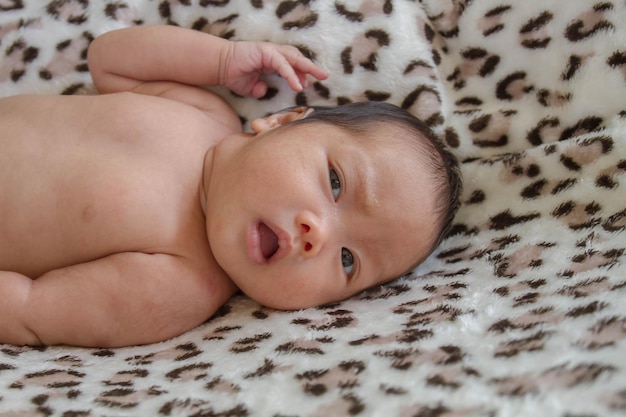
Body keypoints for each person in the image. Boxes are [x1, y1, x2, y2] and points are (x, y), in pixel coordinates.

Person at [0, 25, 461, 348]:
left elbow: (29, 310)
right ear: (282, 121)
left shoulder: (181, 287)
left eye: (347, 260)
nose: (316, 234)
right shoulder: (205, 115)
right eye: (336, 183)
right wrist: (221, 58)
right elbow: (110, 60)